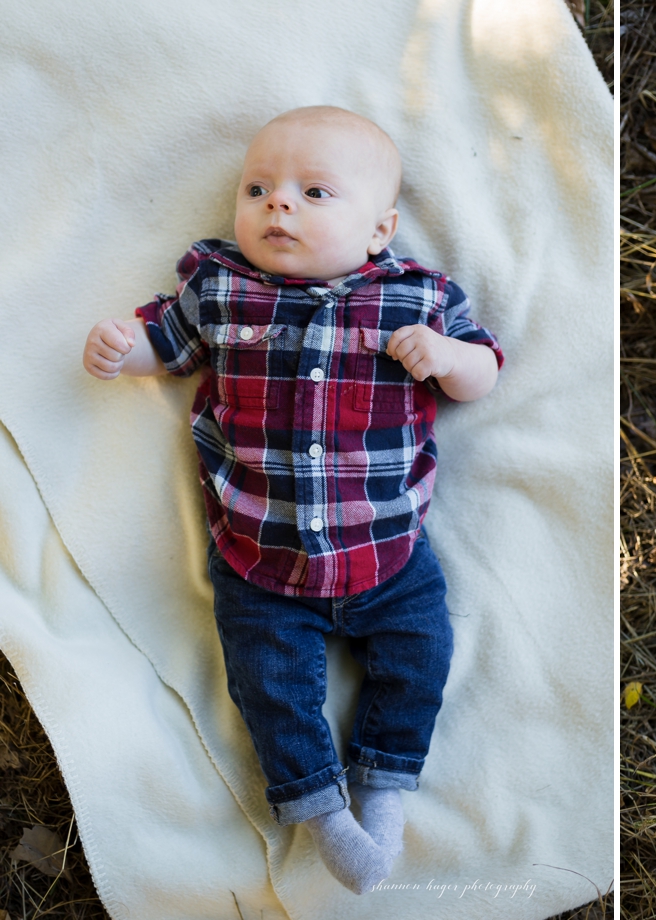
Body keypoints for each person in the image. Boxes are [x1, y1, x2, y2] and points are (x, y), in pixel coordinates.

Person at [79, 106, 501, 894]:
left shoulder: (415, 298)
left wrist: (445, 357)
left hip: (387, 555)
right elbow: (164, 344)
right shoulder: (220, 287)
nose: (279, 205)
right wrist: (121, 349)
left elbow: (482, 373)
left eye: (314, 192)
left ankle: (384, 783)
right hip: (258, 558)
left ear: (379, 230)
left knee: (420, 658)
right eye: (259, 188)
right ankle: (318, 807)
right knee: (268, 683)